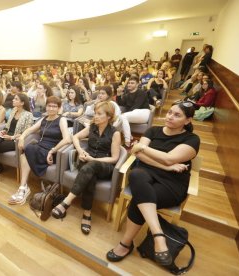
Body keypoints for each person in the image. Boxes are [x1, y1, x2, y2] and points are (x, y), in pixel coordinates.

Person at [106, 102, 200, 267]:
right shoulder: (153, 130)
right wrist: (166, 166)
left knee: (139, 199)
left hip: (172, 184)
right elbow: (140, 157)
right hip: (146, 174)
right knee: (136, 174)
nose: (170, 116)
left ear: (188, 120)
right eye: (170, 112)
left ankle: (125, 244)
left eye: (177, 115)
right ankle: (158, 235)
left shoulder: (192, 139)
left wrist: (142, 147)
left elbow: (169, 157)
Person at [51, 102, 121, 235]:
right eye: (95, 112)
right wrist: (80, 151)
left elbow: (114, 158)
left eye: (99, 114)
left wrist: (92, 159)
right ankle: (87, 213)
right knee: (90, 174)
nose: (95, 116)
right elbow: (76, 137)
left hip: (104, 165)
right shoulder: (92, 127)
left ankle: (66, 202)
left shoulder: (115, 133)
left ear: (109, 116)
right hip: (87, 161)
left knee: (92, 166)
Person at [8, 96, 71, 205]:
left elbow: (67, 139)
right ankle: (23, 188)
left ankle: (23, 189)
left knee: (28, 149)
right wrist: (22, 138)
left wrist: (53, 150)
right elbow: (30, 129)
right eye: (49, 106)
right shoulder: (44, 119)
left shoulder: (62, 120)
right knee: (25, 153)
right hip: (40, 148)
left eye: (54, 106)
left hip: (51, 151)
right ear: (46, 106)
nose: (51, 109)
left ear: (59, 108)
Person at [117, 77, 150, 148]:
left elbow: (136, 106)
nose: (129, 84)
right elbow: (121, 103)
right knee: (120, 118)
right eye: (129, 83)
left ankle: (128, 141)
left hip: (143, 113)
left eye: (132, 83)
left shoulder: (141, 93)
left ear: (137, 84)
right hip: (133, 113)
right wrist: (119, 94)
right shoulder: (127, 94)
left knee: (122, 116)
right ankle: (129, 140)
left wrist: (124, 114)